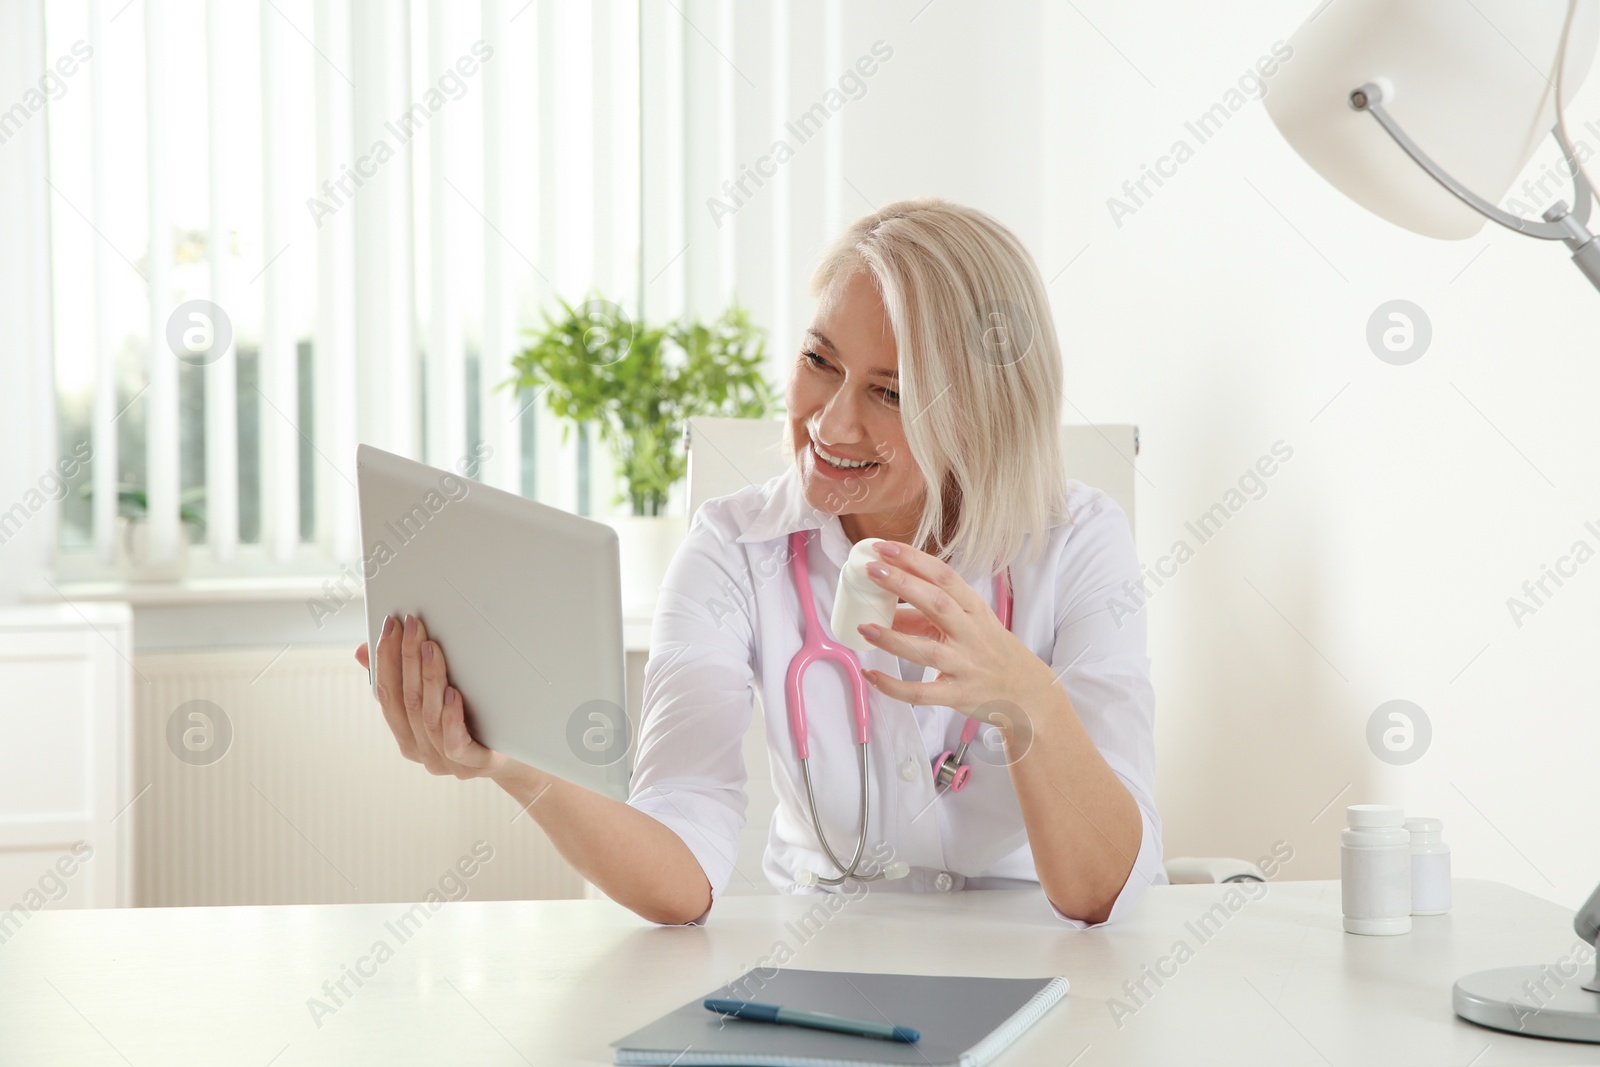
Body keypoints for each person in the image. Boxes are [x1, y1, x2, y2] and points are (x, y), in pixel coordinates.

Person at [355, 196, 1163, 928]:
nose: (832, 422)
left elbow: (1098, 889)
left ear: (981, 415)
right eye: (819, 361)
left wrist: (1024, 697)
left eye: (889, 392)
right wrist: (509, 762)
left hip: (1042, 960)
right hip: (823, 963)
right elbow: (681, 864)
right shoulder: (733, 549)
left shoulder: (1081, 541)